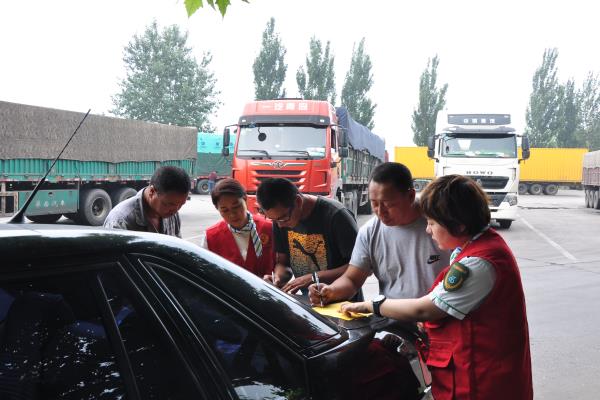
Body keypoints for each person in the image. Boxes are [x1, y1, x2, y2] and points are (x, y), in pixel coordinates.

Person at [340, 174, 533, 400]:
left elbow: (424, 309)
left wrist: (371, 306)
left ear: (459, 225)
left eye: (432, 223)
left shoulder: (478, 263)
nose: (428, 230)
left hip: (481, 382)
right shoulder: (475, 248)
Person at [308, 162, 449, 306]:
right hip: (390, 316)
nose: (380, 212)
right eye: (374, 203)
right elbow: (352, 279)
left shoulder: (442, 224)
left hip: (439, 314)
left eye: (388, 204)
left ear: (411, 196)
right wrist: (331, 291)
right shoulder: (369, 232)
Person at [256, 178, 361, 299]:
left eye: (283, 218)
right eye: (273, 220)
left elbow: (359, 267)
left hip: (344, 300)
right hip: (310, 300)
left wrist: (314, 277)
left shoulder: (337, 216)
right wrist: (278, 278)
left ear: (298, 201)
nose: (279, 225)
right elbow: (283, 263)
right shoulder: (279, 219)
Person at [201, 178, 274, 277]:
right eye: (225, 210)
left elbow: (282, 264)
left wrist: (276, 277)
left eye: (236, 207)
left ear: (245, 199)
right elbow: (205, 272)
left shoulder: (268, 228)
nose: (232, 215)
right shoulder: (210, 237)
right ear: (217, 209)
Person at [103, 166, 190, 237]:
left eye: (181, 204)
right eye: (169, 204)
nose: (175, 210)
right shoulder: (120, 221)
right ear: (152, 192)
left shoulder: (173, 214)